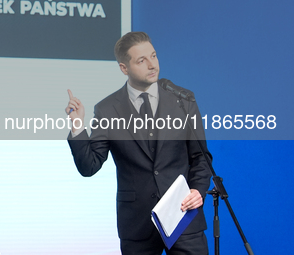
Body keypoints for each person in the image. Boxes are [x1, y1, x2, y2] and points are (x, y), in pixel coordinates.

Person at [67, 32, 212, 255]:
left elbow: (200, 156)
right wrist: (78, 127)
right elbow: (90, 166)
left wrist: (197, 190)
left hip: (184, 218)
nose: (152, 64)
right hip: (136, 224)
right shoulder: (107, 109)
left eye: (153, 56)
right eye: (141, 60)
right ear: (124, 68)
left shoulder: (183, 100)